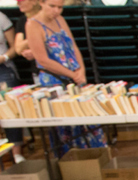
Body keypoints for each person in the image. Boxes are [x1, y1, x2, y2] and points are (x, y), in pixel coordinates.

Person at [27, 0, 106, 156]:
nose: (56, 11)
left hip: (74, 78)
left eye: (60, 7)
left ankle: (96, 158)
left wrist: (81, 70)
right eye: (52, 6)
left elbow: (73, 47)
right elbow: (42, 60)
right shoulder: (33, 25)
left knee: (88, 119)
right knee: (65, 127)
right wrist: (71, 74)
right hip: (55, 81)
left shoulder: (60, 20)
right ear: (41, 3)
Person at [0, 11, 25, 163]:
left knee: (10, 108)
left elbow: (15, 47)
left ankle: (16, 152)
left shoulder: (1, 18)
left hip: (3, 67)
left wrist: (4, 57)